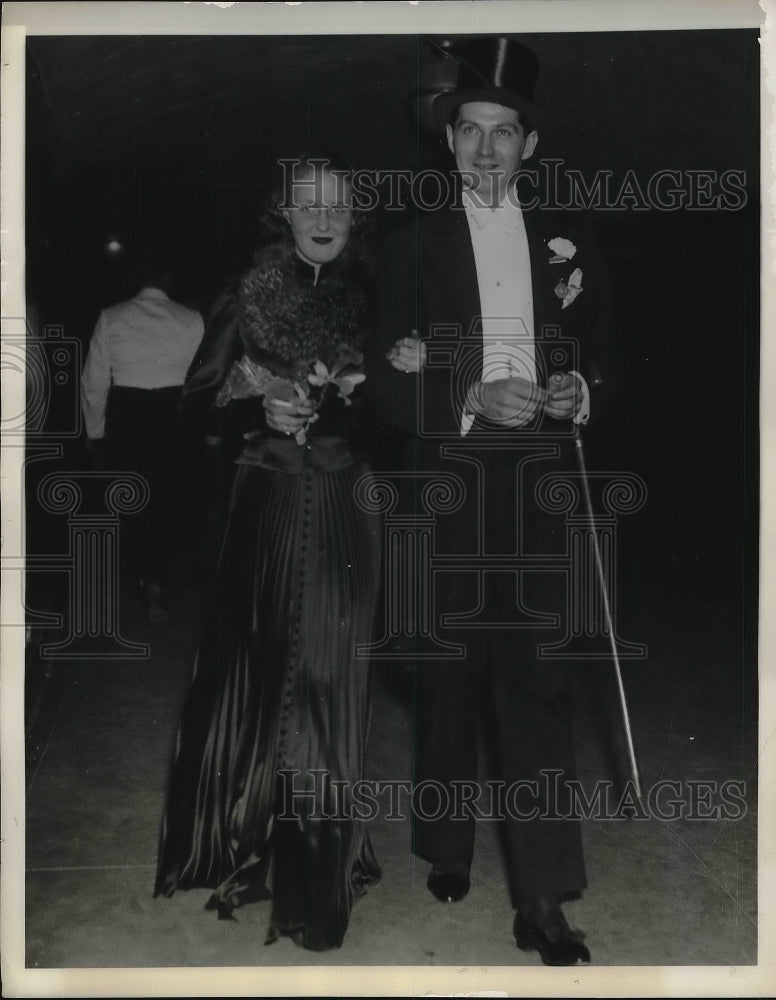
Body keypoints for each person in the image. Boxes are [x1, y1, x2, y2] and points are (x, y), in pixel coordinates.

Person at [365, 37, 619, 965]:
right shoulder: (407, 244)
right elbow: (381, 385)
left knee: (536, 686)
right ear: (449, 143)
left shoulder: (571, 242)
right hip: (445, 487)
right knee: (448, 679)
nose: (484, 150)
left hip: (540, 486)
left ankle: (544, 898)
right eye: (468, 130)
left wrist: (577, 390)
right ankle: (444, 838)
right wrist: (467, 393)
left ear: (530, 147)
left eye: (503, 132)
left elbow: (609, 356)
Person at [154, 155, 411, 952]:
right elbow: (197, 394)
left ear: (355, 216)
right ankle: (240, 834)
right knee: (260, 669)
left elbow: (403, 416)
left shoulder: (378, 297)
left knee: (331, 674)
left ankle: (318, 869)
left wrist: (398, 375)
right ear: (285, 213)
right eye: (308, 204)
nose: (323, 217)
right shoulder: (246, 290)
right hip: (264, 496)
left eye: (338, 203)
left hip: (344, 500)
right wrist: (256, 396)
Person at [80, 258, 204, 622]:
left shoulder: (111, 316)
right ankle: (156, 582)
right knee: (167, 499)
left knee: (135, 500)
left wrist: (95, 433)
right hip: (172, 415)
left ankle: (144, 577)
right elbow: (203, 381)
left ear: (136, 278)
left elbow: (94, 381)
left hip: (129, 416)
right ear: (167, 277)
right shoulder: (191, 319)